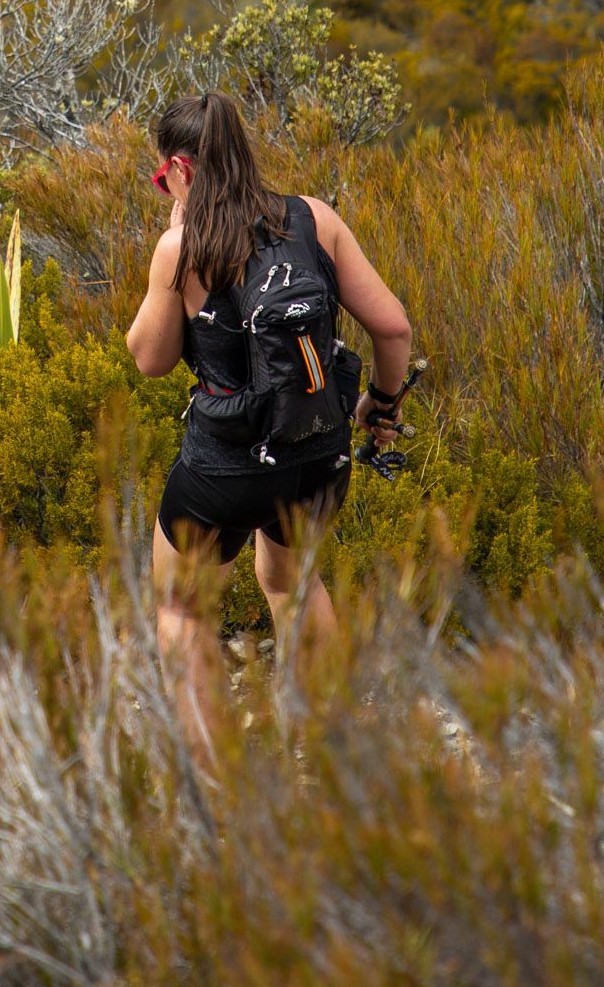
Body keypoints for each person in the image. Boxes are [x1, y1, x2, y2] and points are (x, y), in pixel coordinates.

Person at [126, 88, 413, 752]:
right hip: (315, 453)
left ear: (181, 169)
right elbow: (392, 327)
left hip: (222, 467)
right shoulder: (313, 219)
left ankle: (209, 771)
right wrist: (384, 407)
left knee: (181, 606)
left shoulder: (182, 245)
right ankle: (331, 747)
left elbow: (150, 358)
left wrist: (174, 236)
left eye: (160, 175)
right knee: (290, 580)